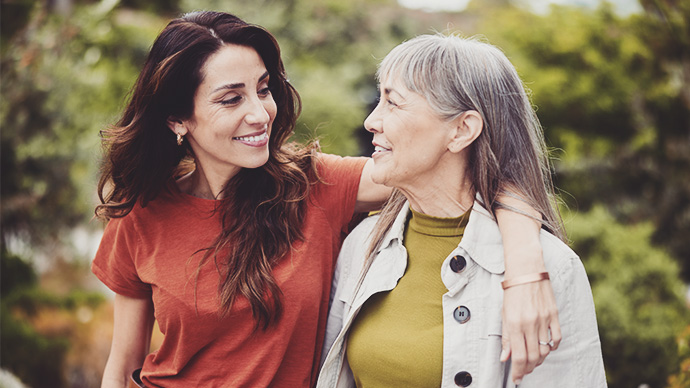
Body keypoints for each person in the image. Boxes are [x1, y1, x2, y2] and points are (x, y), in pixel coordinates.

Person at [92, 11, 560, 388]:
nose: (260, 113)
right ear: (178, 118)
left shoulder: (316, 186)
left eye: (263, 89)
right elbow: (122, 368)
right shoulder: (140, 215)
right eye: (230, 99)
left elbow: (472, 167)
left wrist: (525, 271)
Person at [317, 34, 607, 388]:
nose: (372, 121)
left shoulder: (551, 269)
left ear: (461, 130)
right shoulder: (361, 247)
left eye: (393, 103)